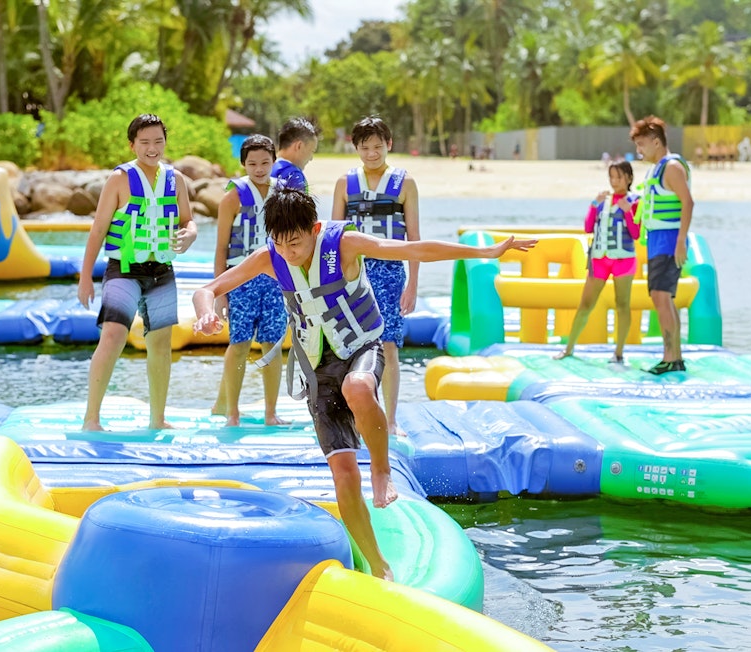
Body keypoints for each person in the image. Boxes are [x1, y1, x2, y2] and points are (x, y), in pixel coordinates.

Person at [192, 187, 536, 580]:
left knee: (358, 387)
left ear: (315, 228)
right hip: (316, 368)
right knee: (341, 472)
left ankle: (382, 469)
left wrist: (483, 253)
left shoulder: (345, 244)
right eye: (280, 243)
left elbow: (413, 249)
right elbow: (209, 289)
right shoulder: (270, 258)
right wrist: (206, 313)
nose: (289, 251)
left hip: (360, 347)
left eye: (297, 242)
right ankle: (378, 566)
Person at [77, 113, 197, 429]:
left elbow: (188, 220)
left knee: (159, 343)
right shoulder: (119, 179)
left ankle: (157, 419)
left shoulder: (177, 179)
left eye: (158, 141)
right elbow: (98, 229)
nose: (152, 148)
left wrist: (191, 234)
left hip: (161, 270)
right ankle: (92, 418)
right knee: (114, 334)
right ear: (132, 145)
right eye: (144, 142)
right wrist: (85, 276)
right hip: (123, 270)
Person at [331, 116, 418, 438]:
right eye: (365, 147)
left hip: (391, 271)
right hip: (352, 272)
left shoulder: (405, 183)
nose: (371, 153)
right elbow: (333, 235)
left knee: (390, 346)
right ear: (355, 148)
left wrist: (412, 284)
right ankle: (357, 416)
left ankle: (390, 420)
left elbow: (414, 238)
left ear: (389, 145)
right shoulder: (345, 183)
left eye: (378, 147)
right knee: (352, 346)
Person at [211, 134, 287, 426]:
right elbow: (221, 249)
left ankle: (271, 412)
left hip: (275, 279)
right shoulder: (232, 197)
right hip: (240, 279)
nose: (259, 168)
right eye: (252, 163)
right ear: (243, 164)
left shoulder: (283, 195)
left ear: (274, 162)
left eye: (265, 162)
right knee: (239, 343)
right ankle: (232, 413)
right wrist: (220, 292)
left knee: (272, 343)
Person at [554, 161, 641, 362]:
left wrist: (628, 211)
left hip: (624, 259)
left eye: (618, 177)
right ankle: (569, 348)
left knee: (622, 304)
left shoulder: (635, 201)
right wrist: (594, 204)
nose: (614, 181)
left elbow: (635, 233)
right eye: (611, 177)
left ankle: (618, 352)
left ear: (628, 177)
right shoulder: (603, 200)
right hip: (600, 260)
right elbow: (588, 227)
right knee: (585, 303)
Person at [630, 115, 694, 374]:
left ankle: (671, 357)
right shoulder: (655, 169)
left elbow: (687, 202)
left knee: (661, 297)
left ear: (656, 142)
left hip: (669, 240)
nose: (639, 150)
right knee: (663, 298)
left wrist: (680, 241)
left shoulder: (672, 167)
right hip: (657, 240)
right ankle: (674, 357)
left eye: (642, 144)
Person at [271, 117, 320, 191]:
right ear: (299, 146)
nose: (311, 158)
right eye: (311, 151)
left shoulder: (263, 169)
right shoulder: (294, 176)